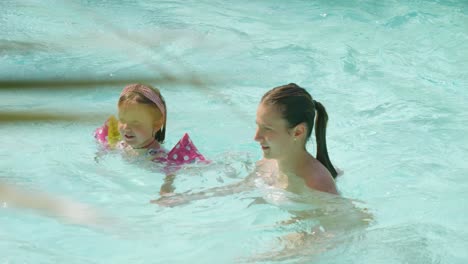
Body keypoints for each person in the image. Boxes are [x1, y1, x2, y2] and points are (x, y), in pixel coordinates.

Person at [153, 83, 339, 206]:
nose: (256, 137)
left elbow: (338, 232)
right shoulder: (269, 164)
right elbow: (239, 188)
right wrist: (185, 198)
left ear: (297, 132)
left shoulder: (317, 183)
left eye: (267, 128)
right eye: (258, 126)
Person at [94, 83, 207, 194]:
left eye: (136, 122)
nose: (126, 127)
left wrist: (166, 189)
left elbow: (172, 171)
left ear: (156, 124)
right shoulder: (122, 144)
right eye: (123, 119)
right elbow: (107, 147)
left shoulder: (157, 156)